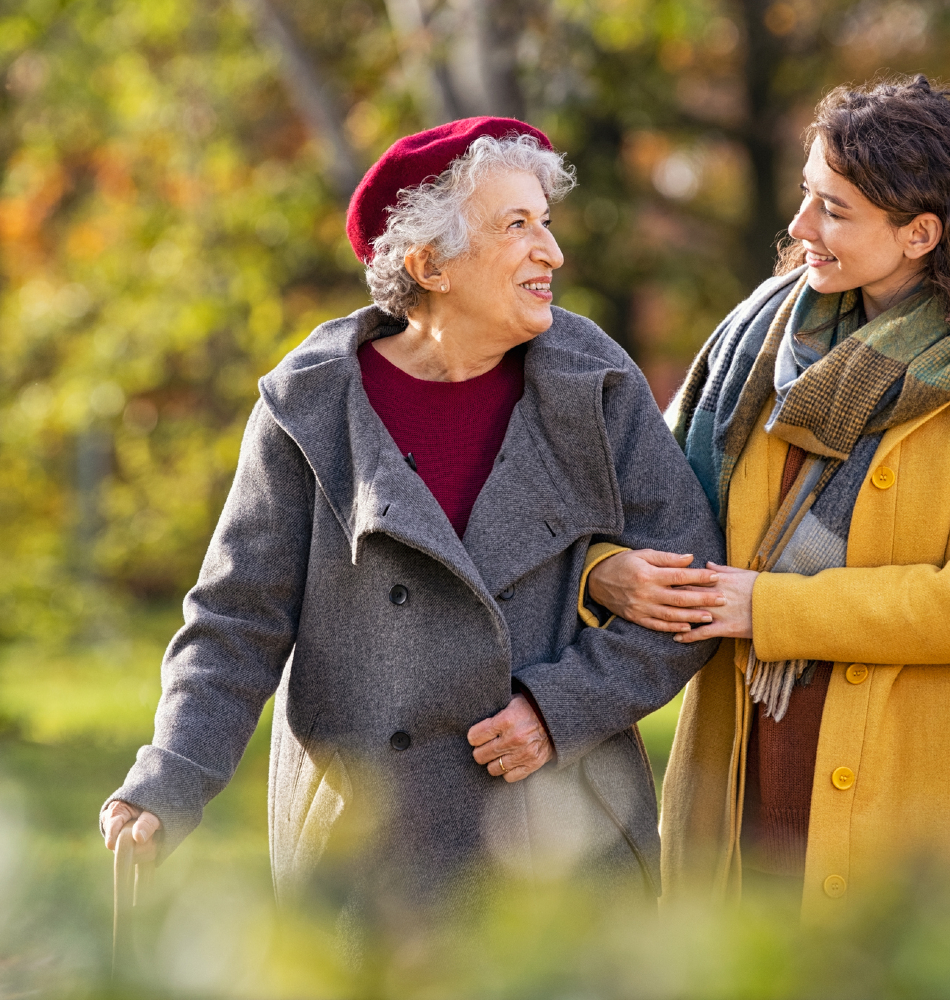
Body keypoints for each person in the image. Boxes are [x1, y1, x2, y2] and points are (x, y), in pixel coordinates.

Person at [99, 117, 723, 925]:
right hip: (369, 848)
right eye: (517, 226)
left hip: (564, 839)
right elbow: (236, 619)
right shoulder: (311, 406)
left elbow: (692, 590)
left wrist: (560, 707)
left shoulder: (594, 381)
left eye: (546, 221)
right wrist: (170, 776)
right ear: (429, 264)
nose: (552, 252)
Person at [584, 76, 950, 916]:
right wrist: (608, 571)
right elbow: (636, 505)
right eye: (805, 197)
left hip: (921, 809)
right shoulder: (757, 346)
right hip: (741, 781)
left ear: (919, 233)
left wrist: (773, 608)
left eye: (833, 209)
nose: (799, 229)